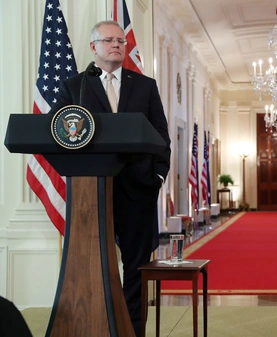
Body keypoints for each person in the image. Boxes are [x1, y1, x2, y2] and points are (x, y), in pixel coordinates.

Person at [50, 20, 171, 336]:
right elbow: (56, 131)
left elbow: (161, 136)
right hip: (92, 191)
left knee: (136, 266)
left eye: (121, 40)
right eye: (108, 40)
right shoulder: (73, 87)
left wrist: (157, 176)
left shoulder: (145, 86)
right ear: (94, 47)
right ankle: (94, 325)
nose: (116, 44)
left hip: (138, 189)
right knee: (91, 263)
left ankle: (133, 330)